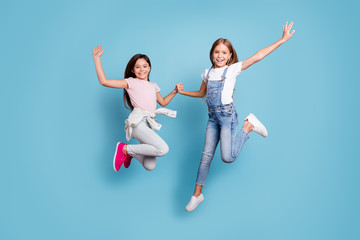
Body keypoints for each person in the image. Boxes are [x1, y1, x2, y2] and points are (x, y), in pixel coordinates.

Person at [176, 21, 295, 212]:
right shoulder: (207, 73)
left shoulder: (231, 70)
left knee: (227, 157)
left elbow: (258, 56)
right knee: (206, 156)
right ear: (212, 54)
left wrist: (281, 40)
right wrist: (181, 93)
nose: (220, 55)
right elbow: (201, 94)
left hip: (227, 117)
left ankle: (248, 126)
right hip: (212, 118)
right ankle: (196, 195)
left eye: (224, 52)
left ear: (230, 55)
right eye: (217, 52)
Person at [93, 45, 178, 172]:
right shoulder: (130, 82)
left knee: (149, 166)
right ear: (132, 70)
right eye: (137, 67)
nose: (141, 69)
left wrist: (175, 91)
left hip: (149, 124)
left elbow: (163, 102)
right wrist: (96, 59)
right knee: (163, 148)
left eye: (144, 66)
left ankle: (130, 153)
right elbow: (104, 81)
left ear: (149, 68)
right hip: (138, 123)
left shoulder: (153, 85)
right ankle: (125, 149)